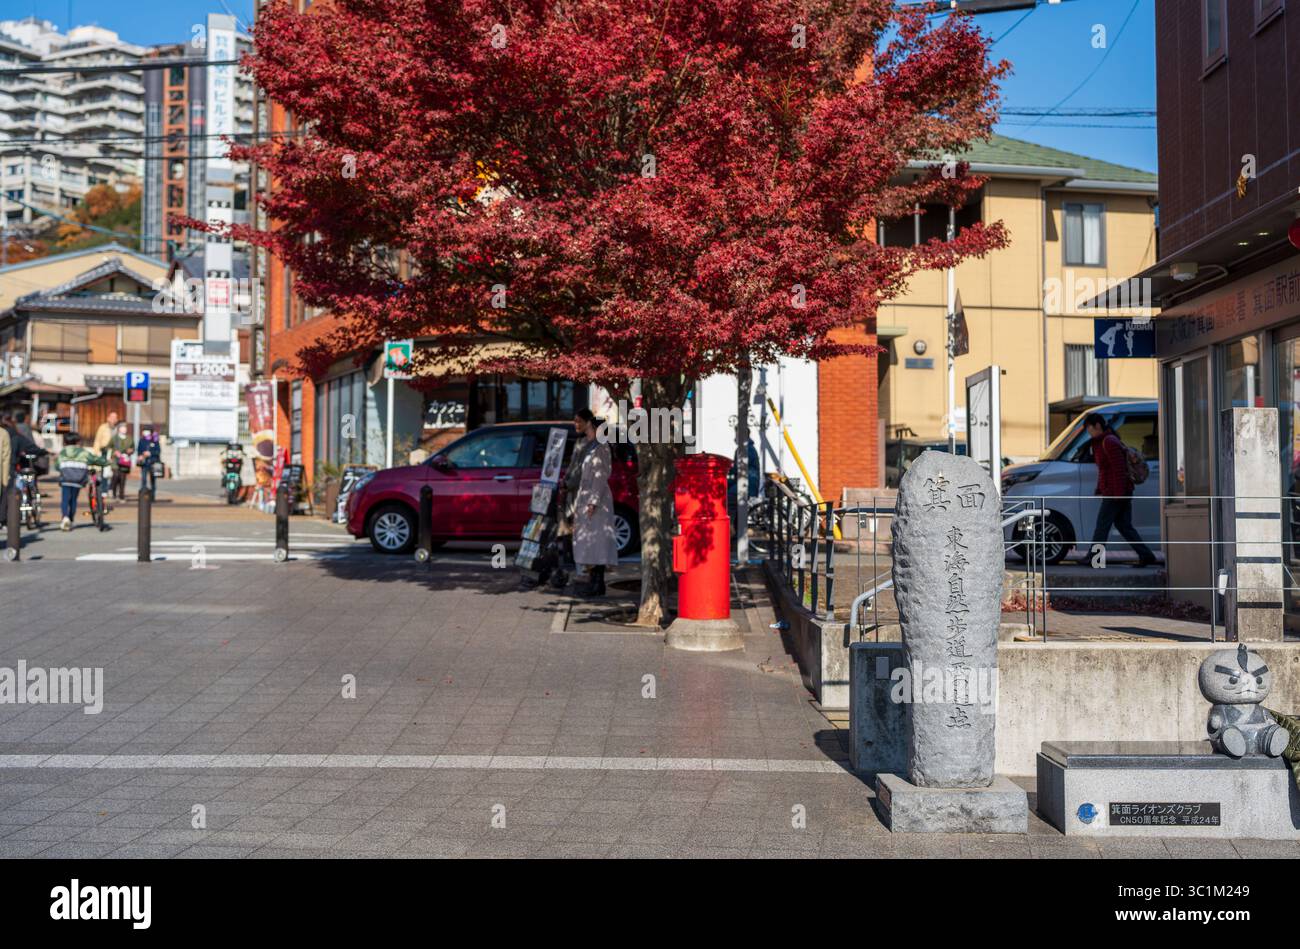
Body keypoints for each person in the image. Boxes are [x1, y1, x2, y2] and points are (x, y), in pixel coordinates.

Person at [1085, 412, 1156, 568]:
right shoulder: (1101, 441)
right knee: (1124, 526)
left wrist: (1118, 494)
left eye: (1089, 429)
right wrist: (1099, 488)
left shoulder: (1109, 441)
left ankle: (1093, 558)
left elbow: (1118, 469)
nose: (1089, 433)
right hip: (1116, 490)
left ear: (1097, 426)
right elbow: (1104, 470)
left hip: (1116, 491)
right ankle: (1146, 555)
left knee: (1102, 525)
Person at [571, 409, 618, 597]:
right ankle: (594, 581)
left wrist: (593, 502)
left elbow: (600, 476)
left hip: (596, 502)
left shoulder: (601, 448)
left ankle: (597, 584)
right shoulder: (592, 446)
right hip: (589, 498)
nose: (587, 431)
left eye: (590, 428)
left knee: (596, 542)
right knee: (590, 542)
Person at [55, 432, 107, 531]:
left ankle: (65, 517)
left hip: (66, 479)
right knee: (73, 500)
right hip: (78, 479)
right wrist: (105, 462)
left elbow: (57, 466)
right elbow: (94, 459)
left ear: (65, 442)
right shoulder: (82, 452)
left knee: (65, 499)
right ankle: (70, 518)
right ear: (77, 441)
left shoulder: (63, 452)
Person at [108, 422, 133, 501]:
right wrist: (113, 453)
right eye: (122, 427)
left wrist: (130, 451)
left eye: (125, 428)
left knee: (122, 478)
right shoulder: (114, 438)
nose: (124, 429)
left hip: (125, 461)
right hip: (116, 460)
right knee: (116, 475)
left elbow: (133, 448)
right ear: (119, 429)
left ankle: (121, 496)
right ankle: (113, 492)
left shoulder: (129, 438)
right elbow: (108, 447)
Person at [136, 426, 160, 496]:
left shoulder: (155, 440)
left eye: (147, 431)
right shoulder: (142, 440)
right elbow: (139, 451)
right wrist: (140, 455)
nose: (145, 432)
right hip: (144, 463)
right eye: (144, 431)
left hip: (153, 462)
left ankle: (152, 495)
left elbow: (158, 451)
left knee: (153, 480)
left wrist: (150, 453)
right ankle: (143, 494)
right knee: (143, 479)